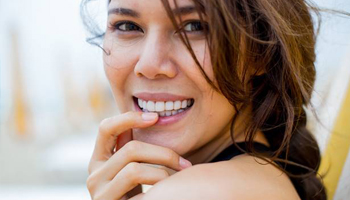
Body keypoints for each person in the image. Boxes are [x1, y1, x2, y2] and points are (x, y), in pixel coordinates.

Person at [82, 0, 328, 199]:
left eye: (194, 27)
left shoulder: (195, 193)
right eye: (127, 26)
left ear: (260, 51)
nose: (149, 65)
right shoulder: (262, 180)